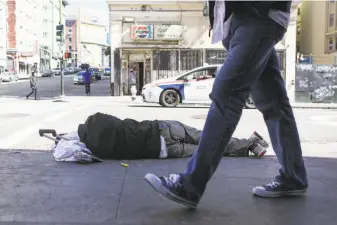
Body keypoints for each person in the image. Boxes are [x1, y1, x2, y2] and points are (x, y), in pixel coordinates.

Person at [144, 1, 308, 209]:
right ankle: (294, 176)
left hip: (259, 15)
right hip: (239, 21)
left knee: (226, 95)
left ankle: (191, 183)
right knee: (275, 104)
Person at [52, 112, 268, 162]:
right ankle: (250, 143)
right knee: (208, 137)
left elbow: (76, 155)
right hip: (162, 128)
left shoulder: (96, 150)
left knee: (209, 150)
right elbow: (115, 120)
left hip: (163, 150)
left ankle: (250, 147)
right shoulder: (96, 119)